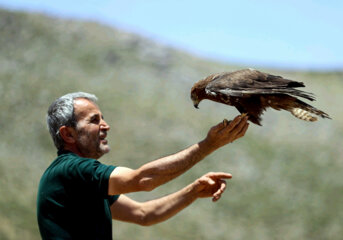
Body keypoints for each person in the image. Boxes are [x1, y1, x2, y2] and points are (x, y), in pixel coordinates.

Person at [37, 92, 249, 239]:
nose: (106, 126)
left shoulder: (79, 181)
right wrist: (207, 146)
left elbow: (144, 214)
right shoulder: (70, 170)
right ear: (68, 134)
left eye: (103, 118)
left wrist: (193, 191)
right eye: (94, 120)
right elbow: (142, 180)